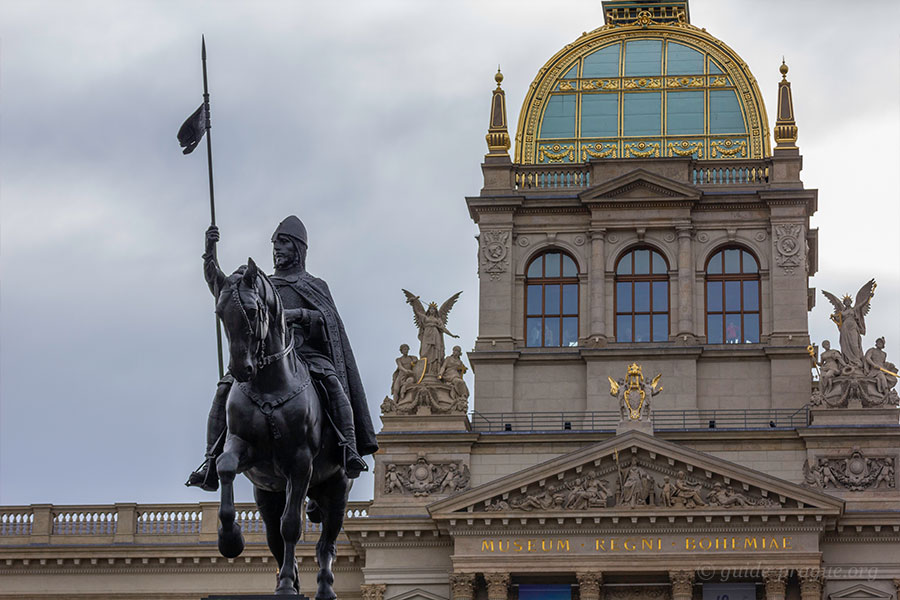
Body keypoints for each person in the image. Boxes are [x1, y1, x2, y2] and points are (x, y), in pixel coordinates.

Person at [186, 216, 377, 491]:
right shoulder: (262, 285)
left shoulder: (314, 285)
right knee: (224, 388)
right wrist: (210, 252)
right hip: (263, 357)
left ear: (298, 249)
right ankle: (210, 461)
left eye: (284, 243)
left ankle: (348, 447)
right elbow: (222, 288)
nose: (277, 249)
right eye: (275, 243)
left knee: (333, 383)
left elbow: (326, 320)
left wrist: (295, 315)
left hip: (306, 354)